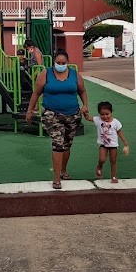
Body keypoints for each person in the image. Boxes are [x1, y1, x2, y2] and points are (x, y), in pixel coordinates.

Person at [26, 49, 89, 189]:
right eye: (58, 62)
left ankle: (63, 170)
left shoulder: (74, 74)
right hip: (51, 114)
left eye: (63, 63)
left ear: (68, 62)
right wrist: (29, 111)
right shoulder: (46, 74)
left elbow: (82, 91)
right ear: (54, 62)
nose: (61, 65)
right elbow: (36, 93)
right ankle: (56, 179)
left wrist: (85, 105)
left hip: (72, 114)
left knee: (67, 144)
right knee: (58, 143)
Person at [85, 101, 130, 183]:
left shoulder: (115, 122)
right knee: (102, 159)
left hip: (113, 145)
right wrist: (85, 112)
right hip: (103, 144)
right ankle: (100, 166)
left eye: (107, 114)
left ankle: (113, 176)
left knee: (113, 161)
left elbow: (119, 132)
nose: (105, 116)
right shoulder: (98, 120)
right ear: (99, 114)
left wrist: (125, 142)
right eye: (102, 114)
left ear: (111, 112)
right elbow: (88, 118)